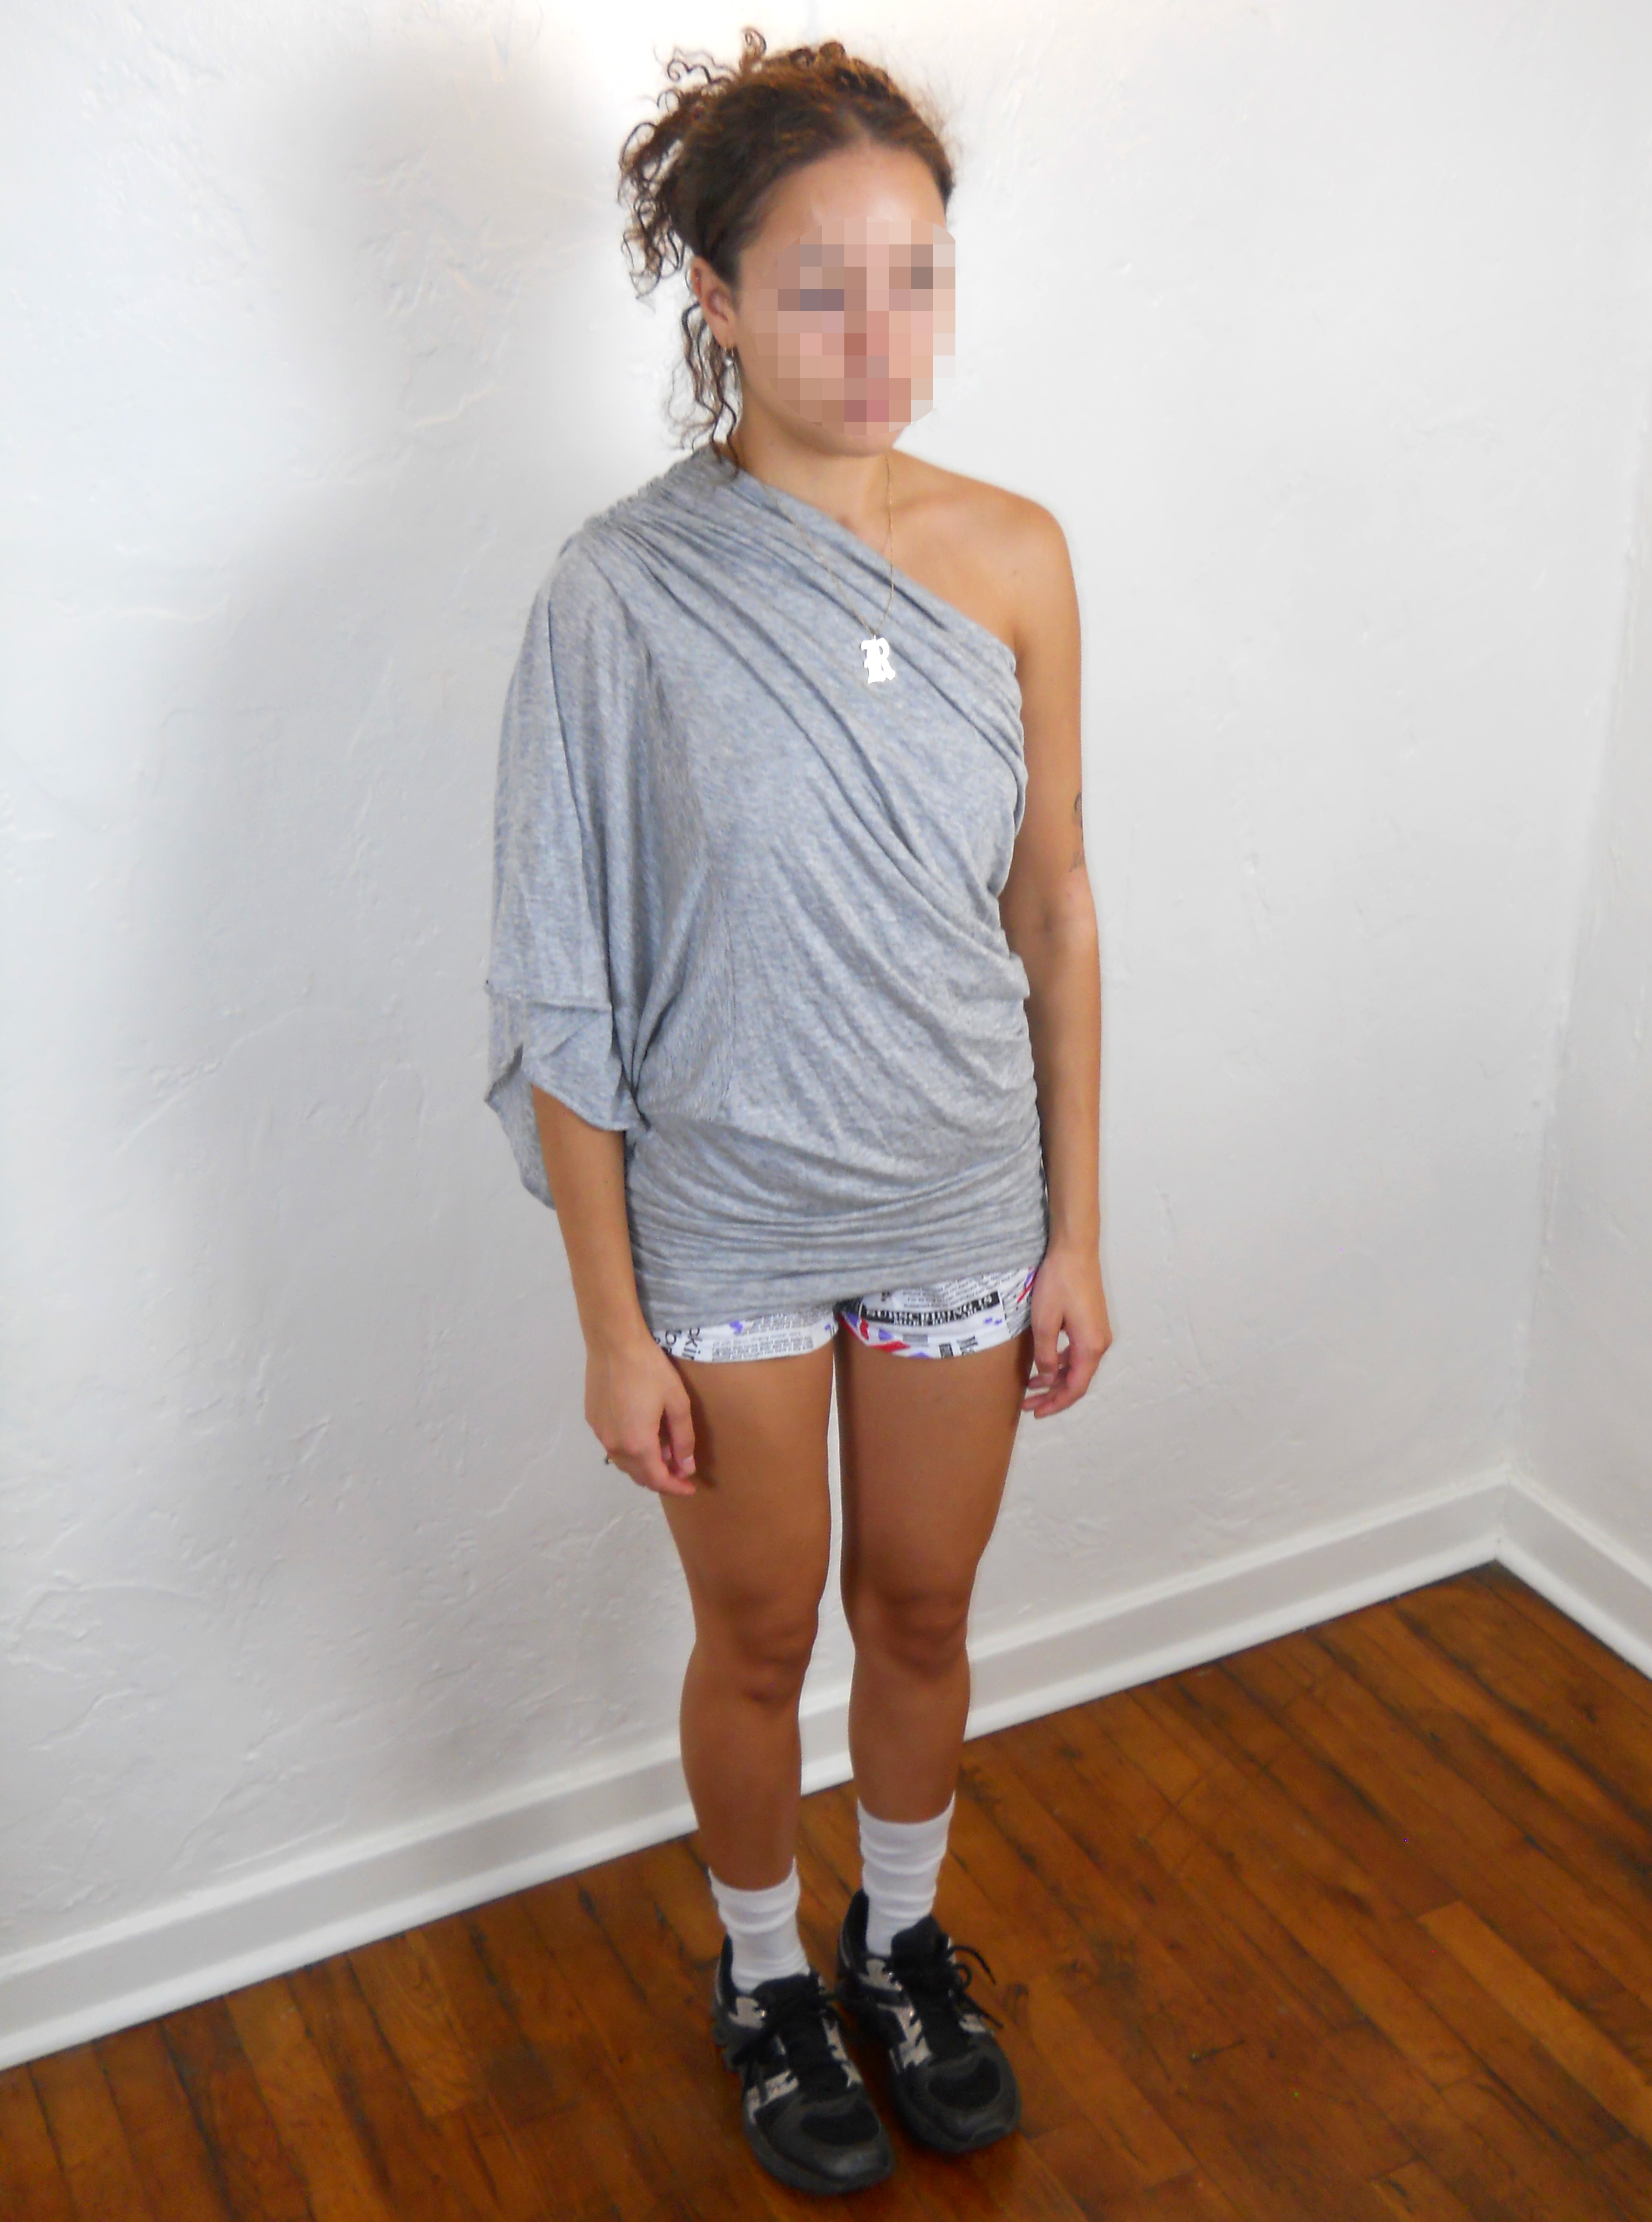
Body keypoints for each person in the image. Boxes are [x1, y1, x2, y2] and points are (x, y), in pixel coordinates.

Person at [485, 27, 1111, 2198]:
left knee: (921, 1614)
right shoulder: (618, 595)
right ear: (716, 295)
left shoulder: (1017, 555)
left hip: (959, 1199)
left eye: (915, 278)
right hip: (728, 1223)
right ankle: (764, 1974)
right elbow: (560, 980)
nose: (880, 337)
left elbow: (1054, 908)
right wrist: (613, 1324)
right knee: (758, 1632)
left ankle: (901, 1943)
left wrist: (1077, 1226)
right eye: (821, 287)